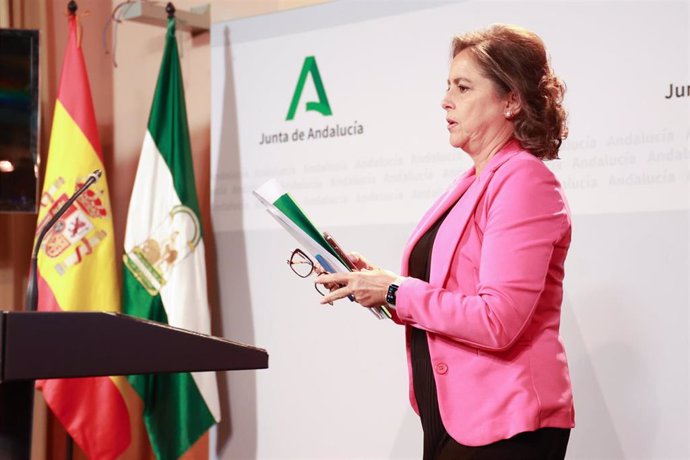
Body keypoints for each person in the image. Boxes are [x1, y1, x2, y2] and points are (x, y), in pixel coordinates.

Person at [316, 24, 575, 460]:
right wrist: (378, 283)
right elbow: (451, 293)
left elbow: (497, 319)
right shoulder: (471, 181)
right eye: (448, 85)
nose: (445, 99)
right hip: (454, 417)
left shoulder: (525, 181)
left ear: (511, 100)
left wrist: (396, 290)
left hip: (508, 424)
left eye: (463, 86)